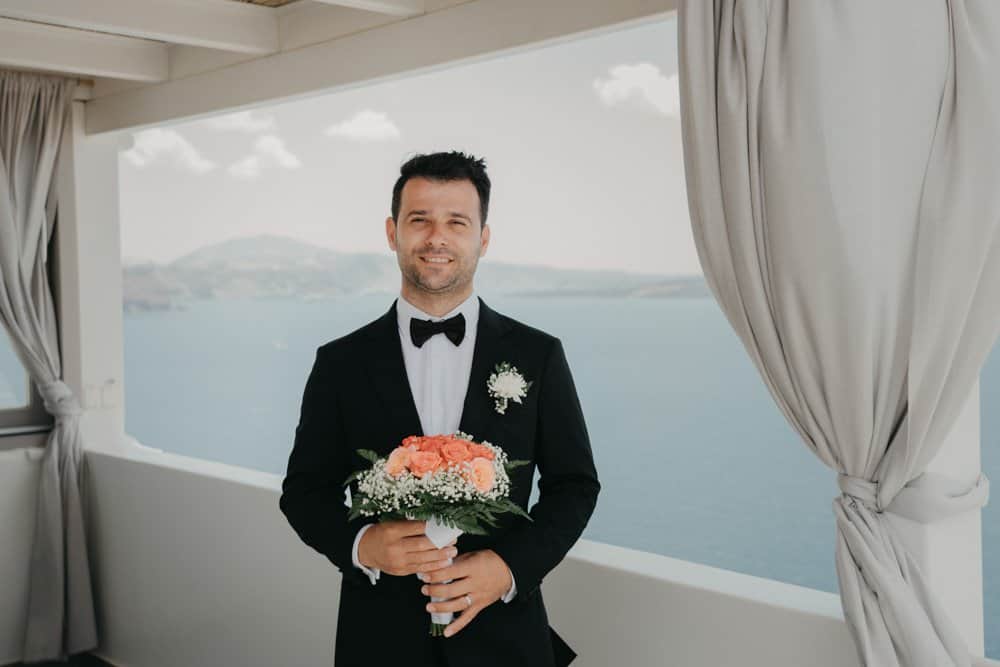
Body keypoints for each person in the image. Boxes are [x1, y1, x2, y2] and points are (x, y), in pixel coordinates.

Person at [279, 150, 600, 667]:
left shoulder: (538, 355)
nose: (437, 238)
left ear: (483, 238)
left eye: (457, 221)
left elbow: (575, 485)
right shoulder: (340, 362)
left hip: (506, 641)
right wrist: (364, 545)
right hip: (379, 640)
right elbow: (304, 492)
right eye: (419, 220)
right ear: (392, 232)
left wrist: (508, 568)